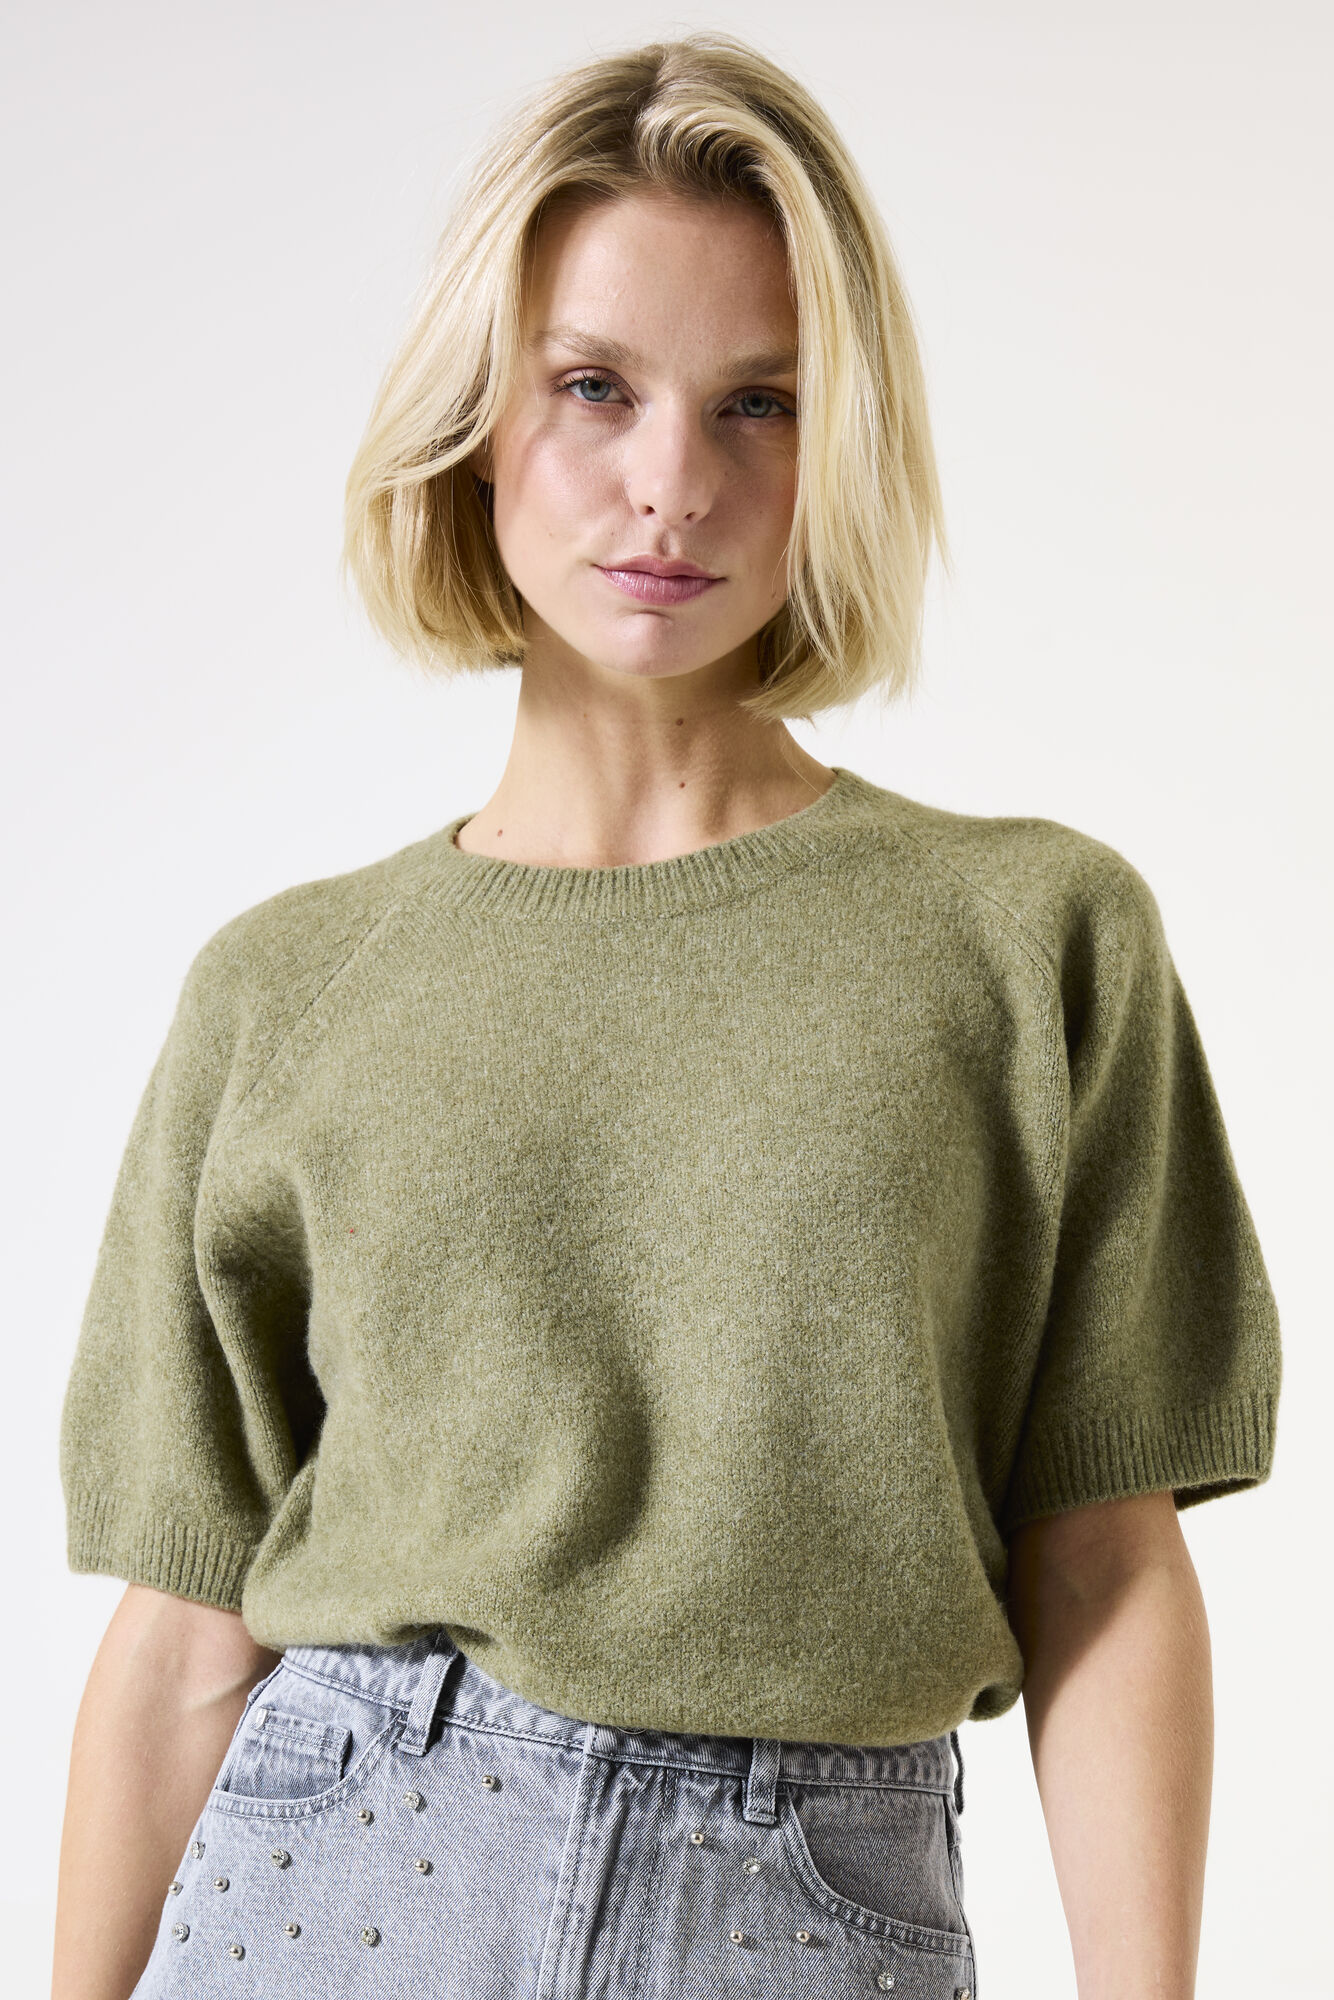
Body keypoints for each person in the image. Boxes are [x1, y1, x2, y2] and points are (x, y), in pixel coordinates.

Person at [52, 30, 1281, 2000]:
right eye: (593, 387)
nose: (672, 484)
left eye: (759, 404)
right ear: (476, 415)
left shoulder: (1029, 938)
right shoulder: (284, 987)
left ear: (841, 441)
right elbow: (189, 1631)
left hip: (808, 1906)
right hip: (339, 1883)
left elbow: (1105, 1558)